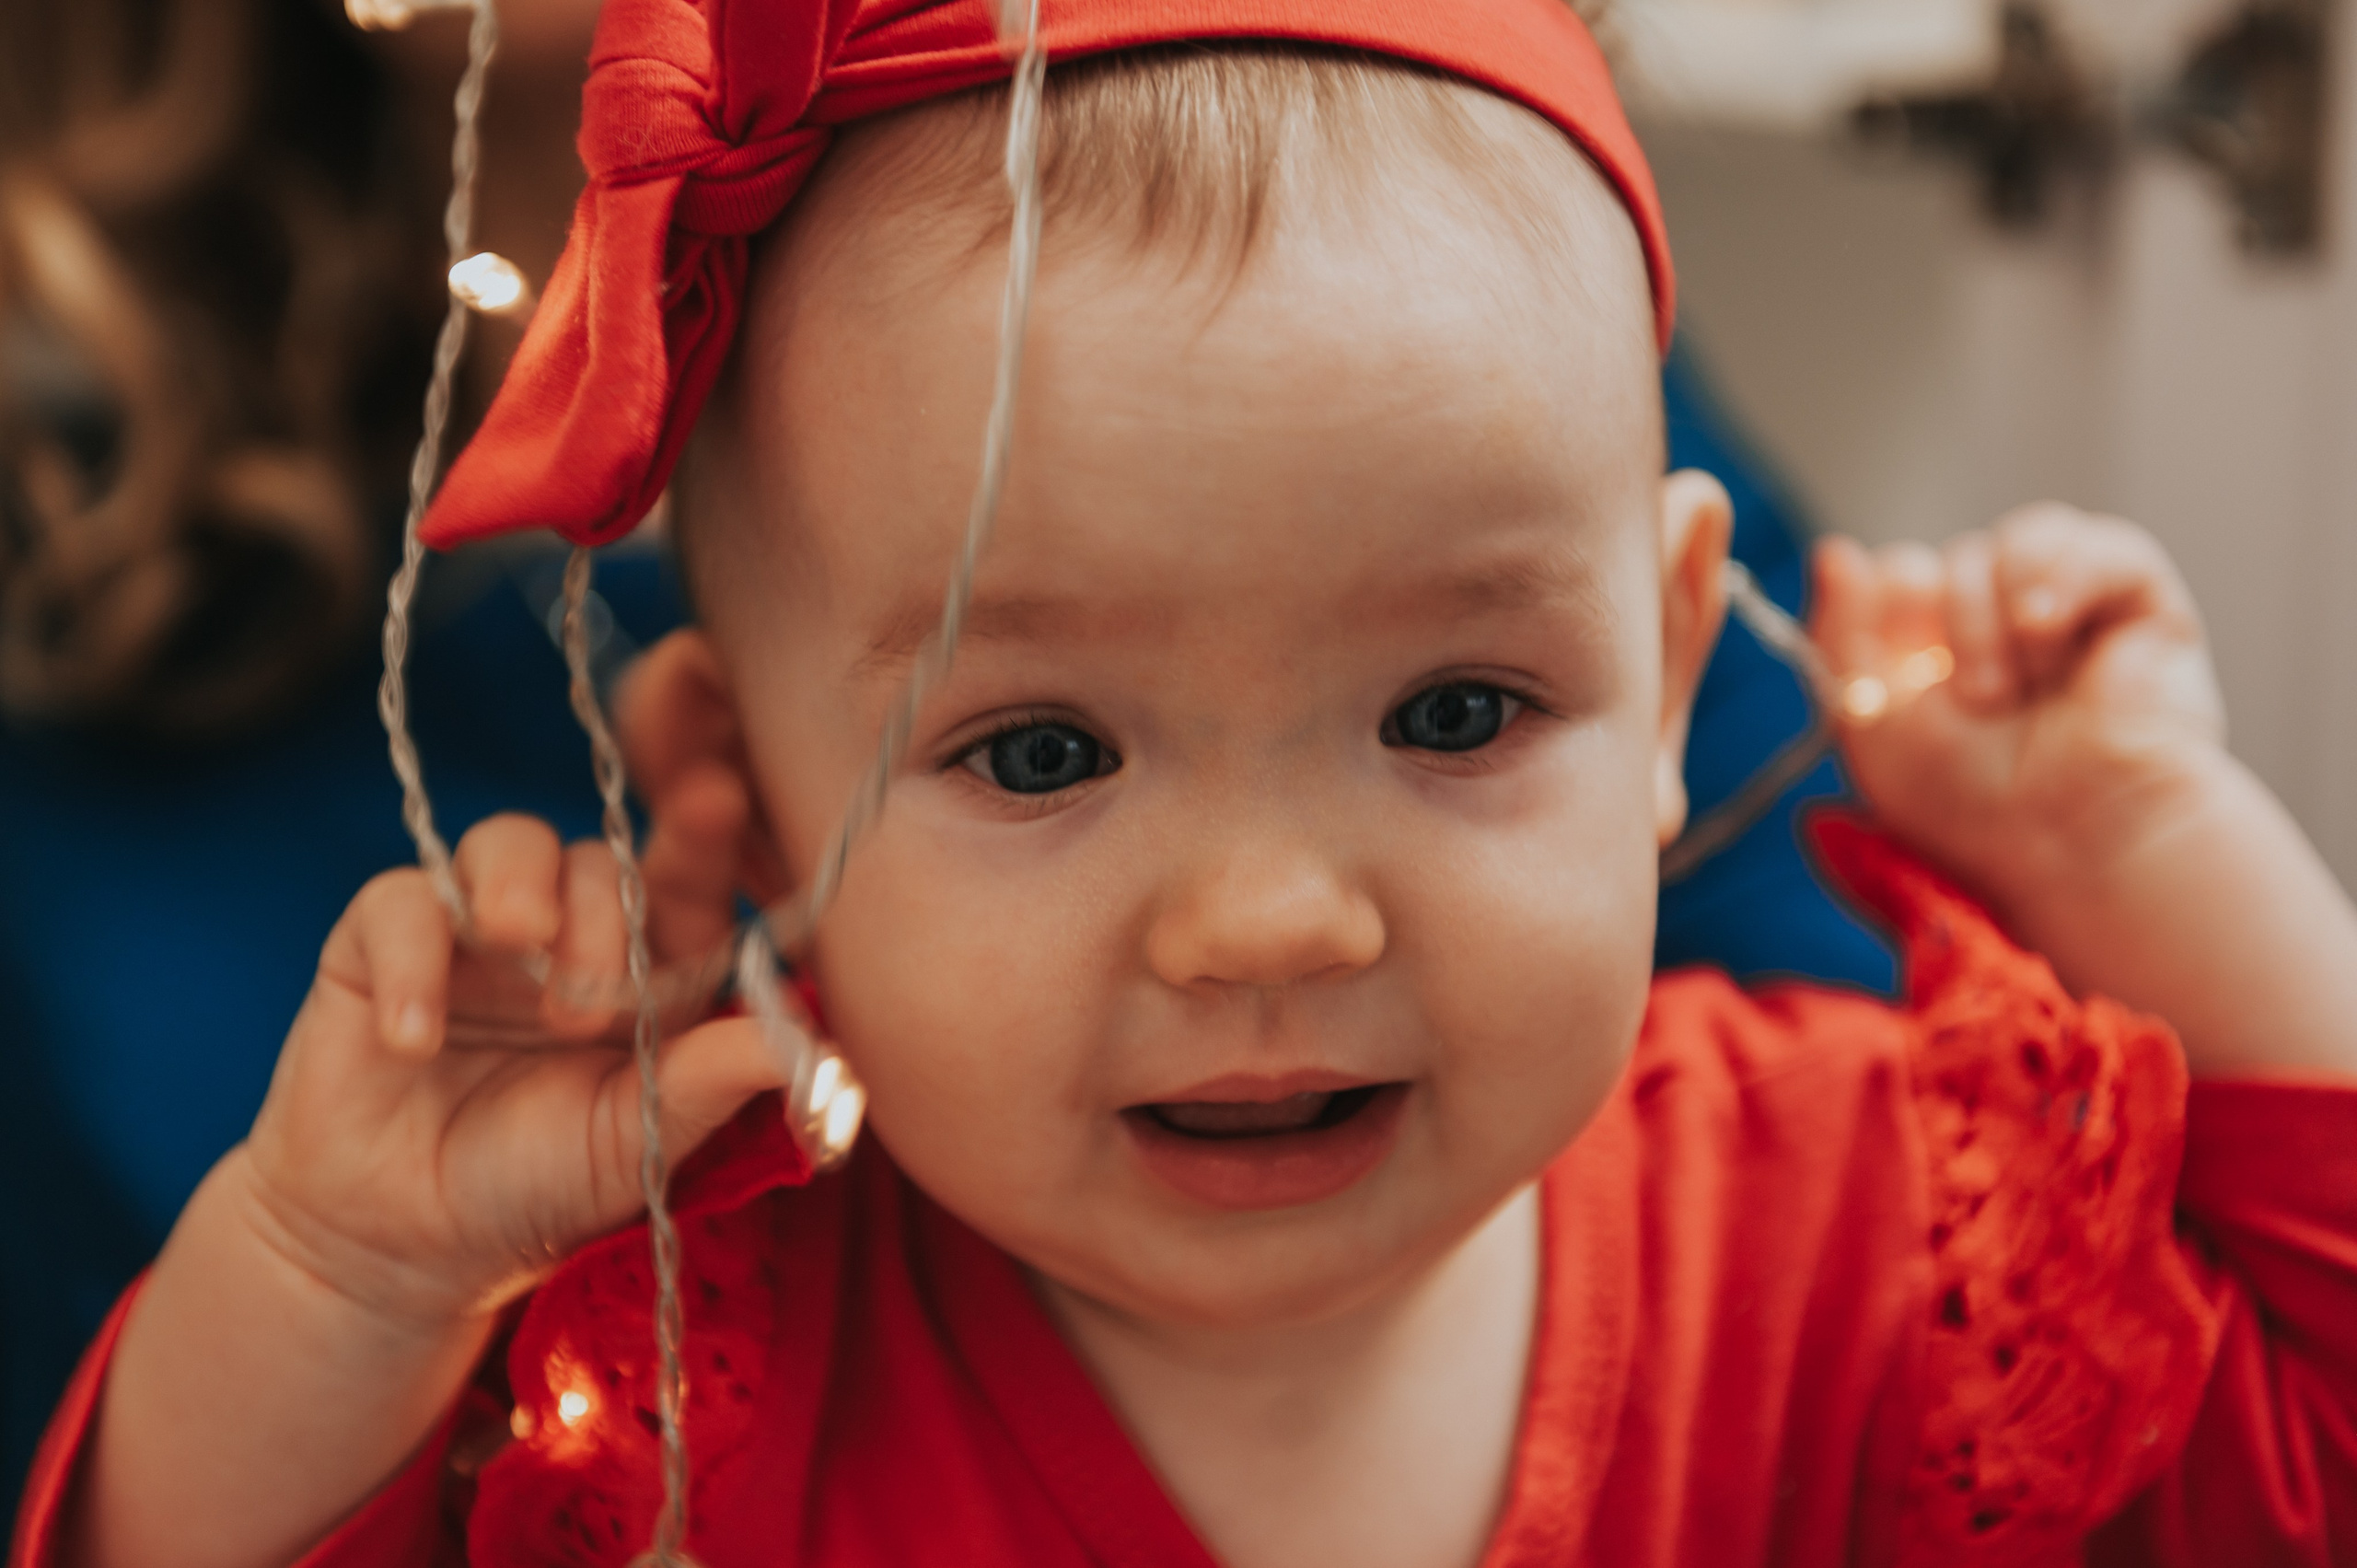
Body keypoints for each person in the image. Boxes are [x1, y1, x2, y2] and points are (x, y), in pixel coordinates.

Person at [18, 2, 2357, 1565]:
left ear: (1663, 683)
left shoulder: (1879, 1245)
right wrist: (333, 1273)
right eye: (1040, 750)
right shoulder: (672, 1359)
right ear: (738, 783)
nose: (1271, 923)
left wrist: (2148, 862)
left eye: (1453, 713)